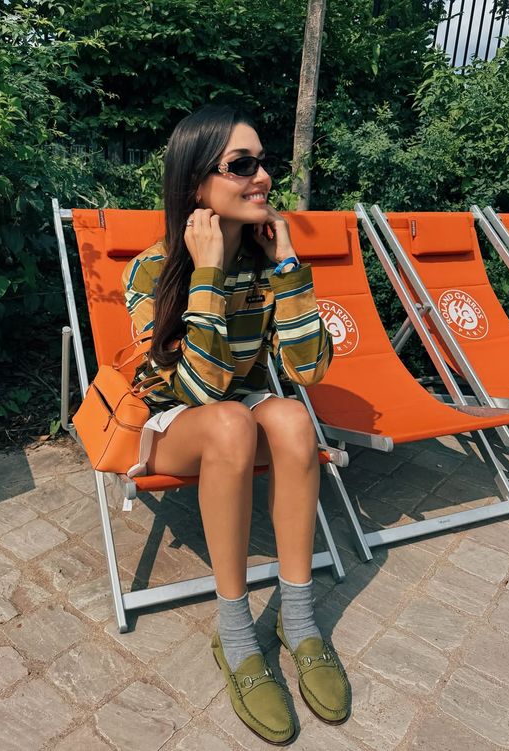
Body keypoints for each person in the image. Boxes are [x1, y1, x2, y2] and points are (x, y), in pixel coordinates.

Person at [122, 105, 350, 744]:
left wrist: (289, 266)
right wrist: (207, 275)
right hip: (171, 423)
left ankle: (297, 620)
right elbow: (196, 390)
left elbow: (308, 370)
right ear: (197, 184)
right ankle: (235, 633)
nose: (263, 177)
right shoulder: (151, 269)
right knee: (226, 423)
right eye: (241, 165)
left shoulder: (264, 261)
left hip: (235, 405)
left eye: (262, 162)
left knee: (295, 420)